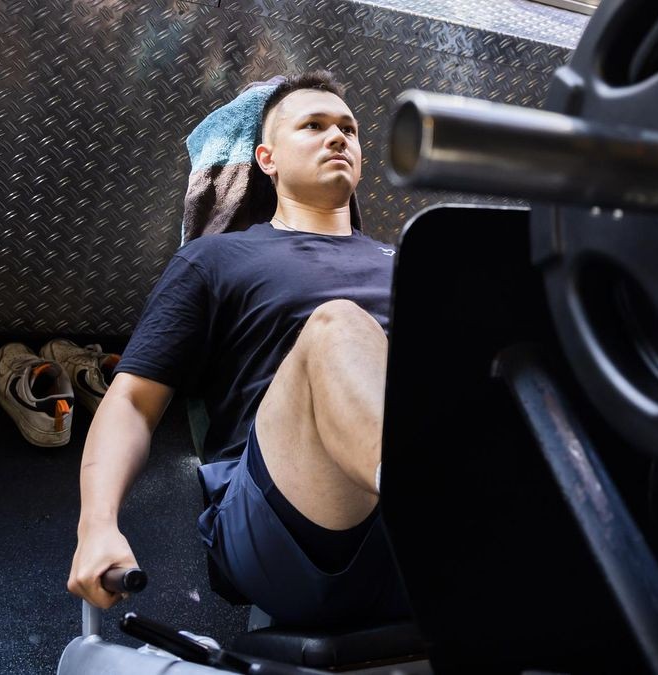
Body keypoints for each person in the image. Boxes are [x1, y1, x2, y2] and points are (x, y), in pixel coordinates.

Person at [67, 71, 407, 625]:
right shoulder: (214, 260)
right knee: (339, 325)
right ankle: (446, 513)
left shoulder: (414, 262)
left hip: (402, 535)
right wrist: (96, 526)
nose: (337, 137)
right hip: (285, 523)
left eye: (348, 128)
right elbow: (131, 401)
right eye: (313, 125)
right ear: (267, 159)